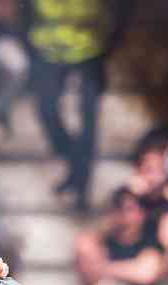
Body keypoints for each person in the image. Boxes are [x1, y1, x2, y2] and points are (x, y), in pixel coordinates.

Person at [22, 0, 128, 210]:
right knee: (47, 111)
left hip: (91, 52)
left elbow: (121, 8)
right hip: (47, 52)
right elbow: (24, 10)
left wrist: (113, 42)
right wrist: (27, 42)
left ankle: (82, 187)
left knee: (87, 124)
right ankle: (75, 165)